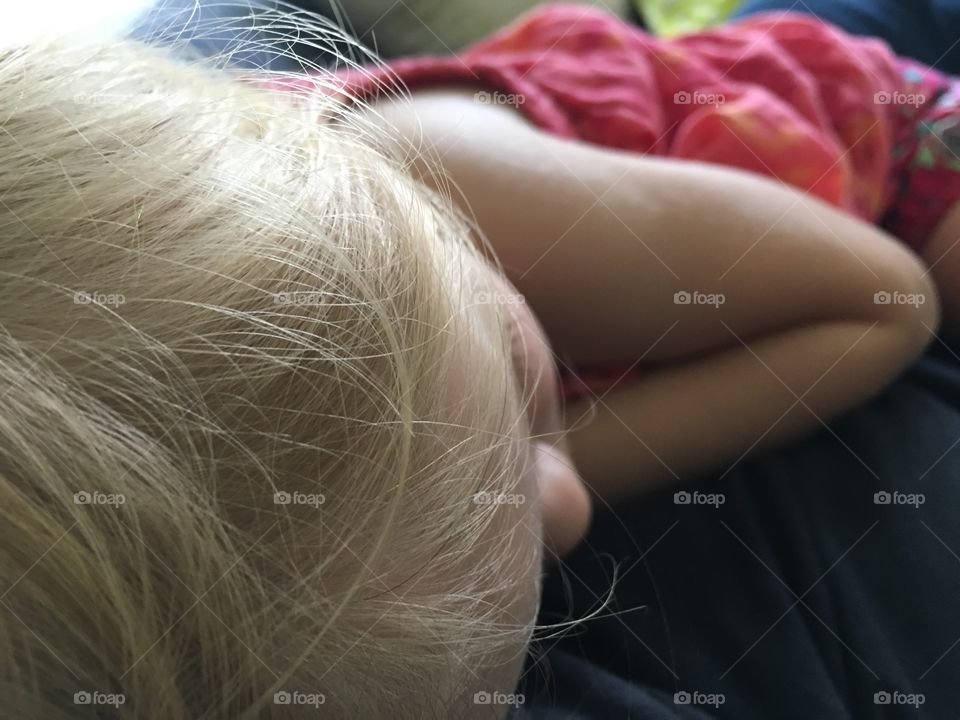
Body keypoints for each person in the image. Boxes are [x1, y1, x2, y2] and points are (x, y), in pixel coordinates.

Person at [0, 7, 948, 720]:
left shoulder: (456, 190)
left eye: (518, 481)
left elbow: (880, 304)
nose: (570, 516)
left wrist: (571, 452)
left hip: (880, 140)